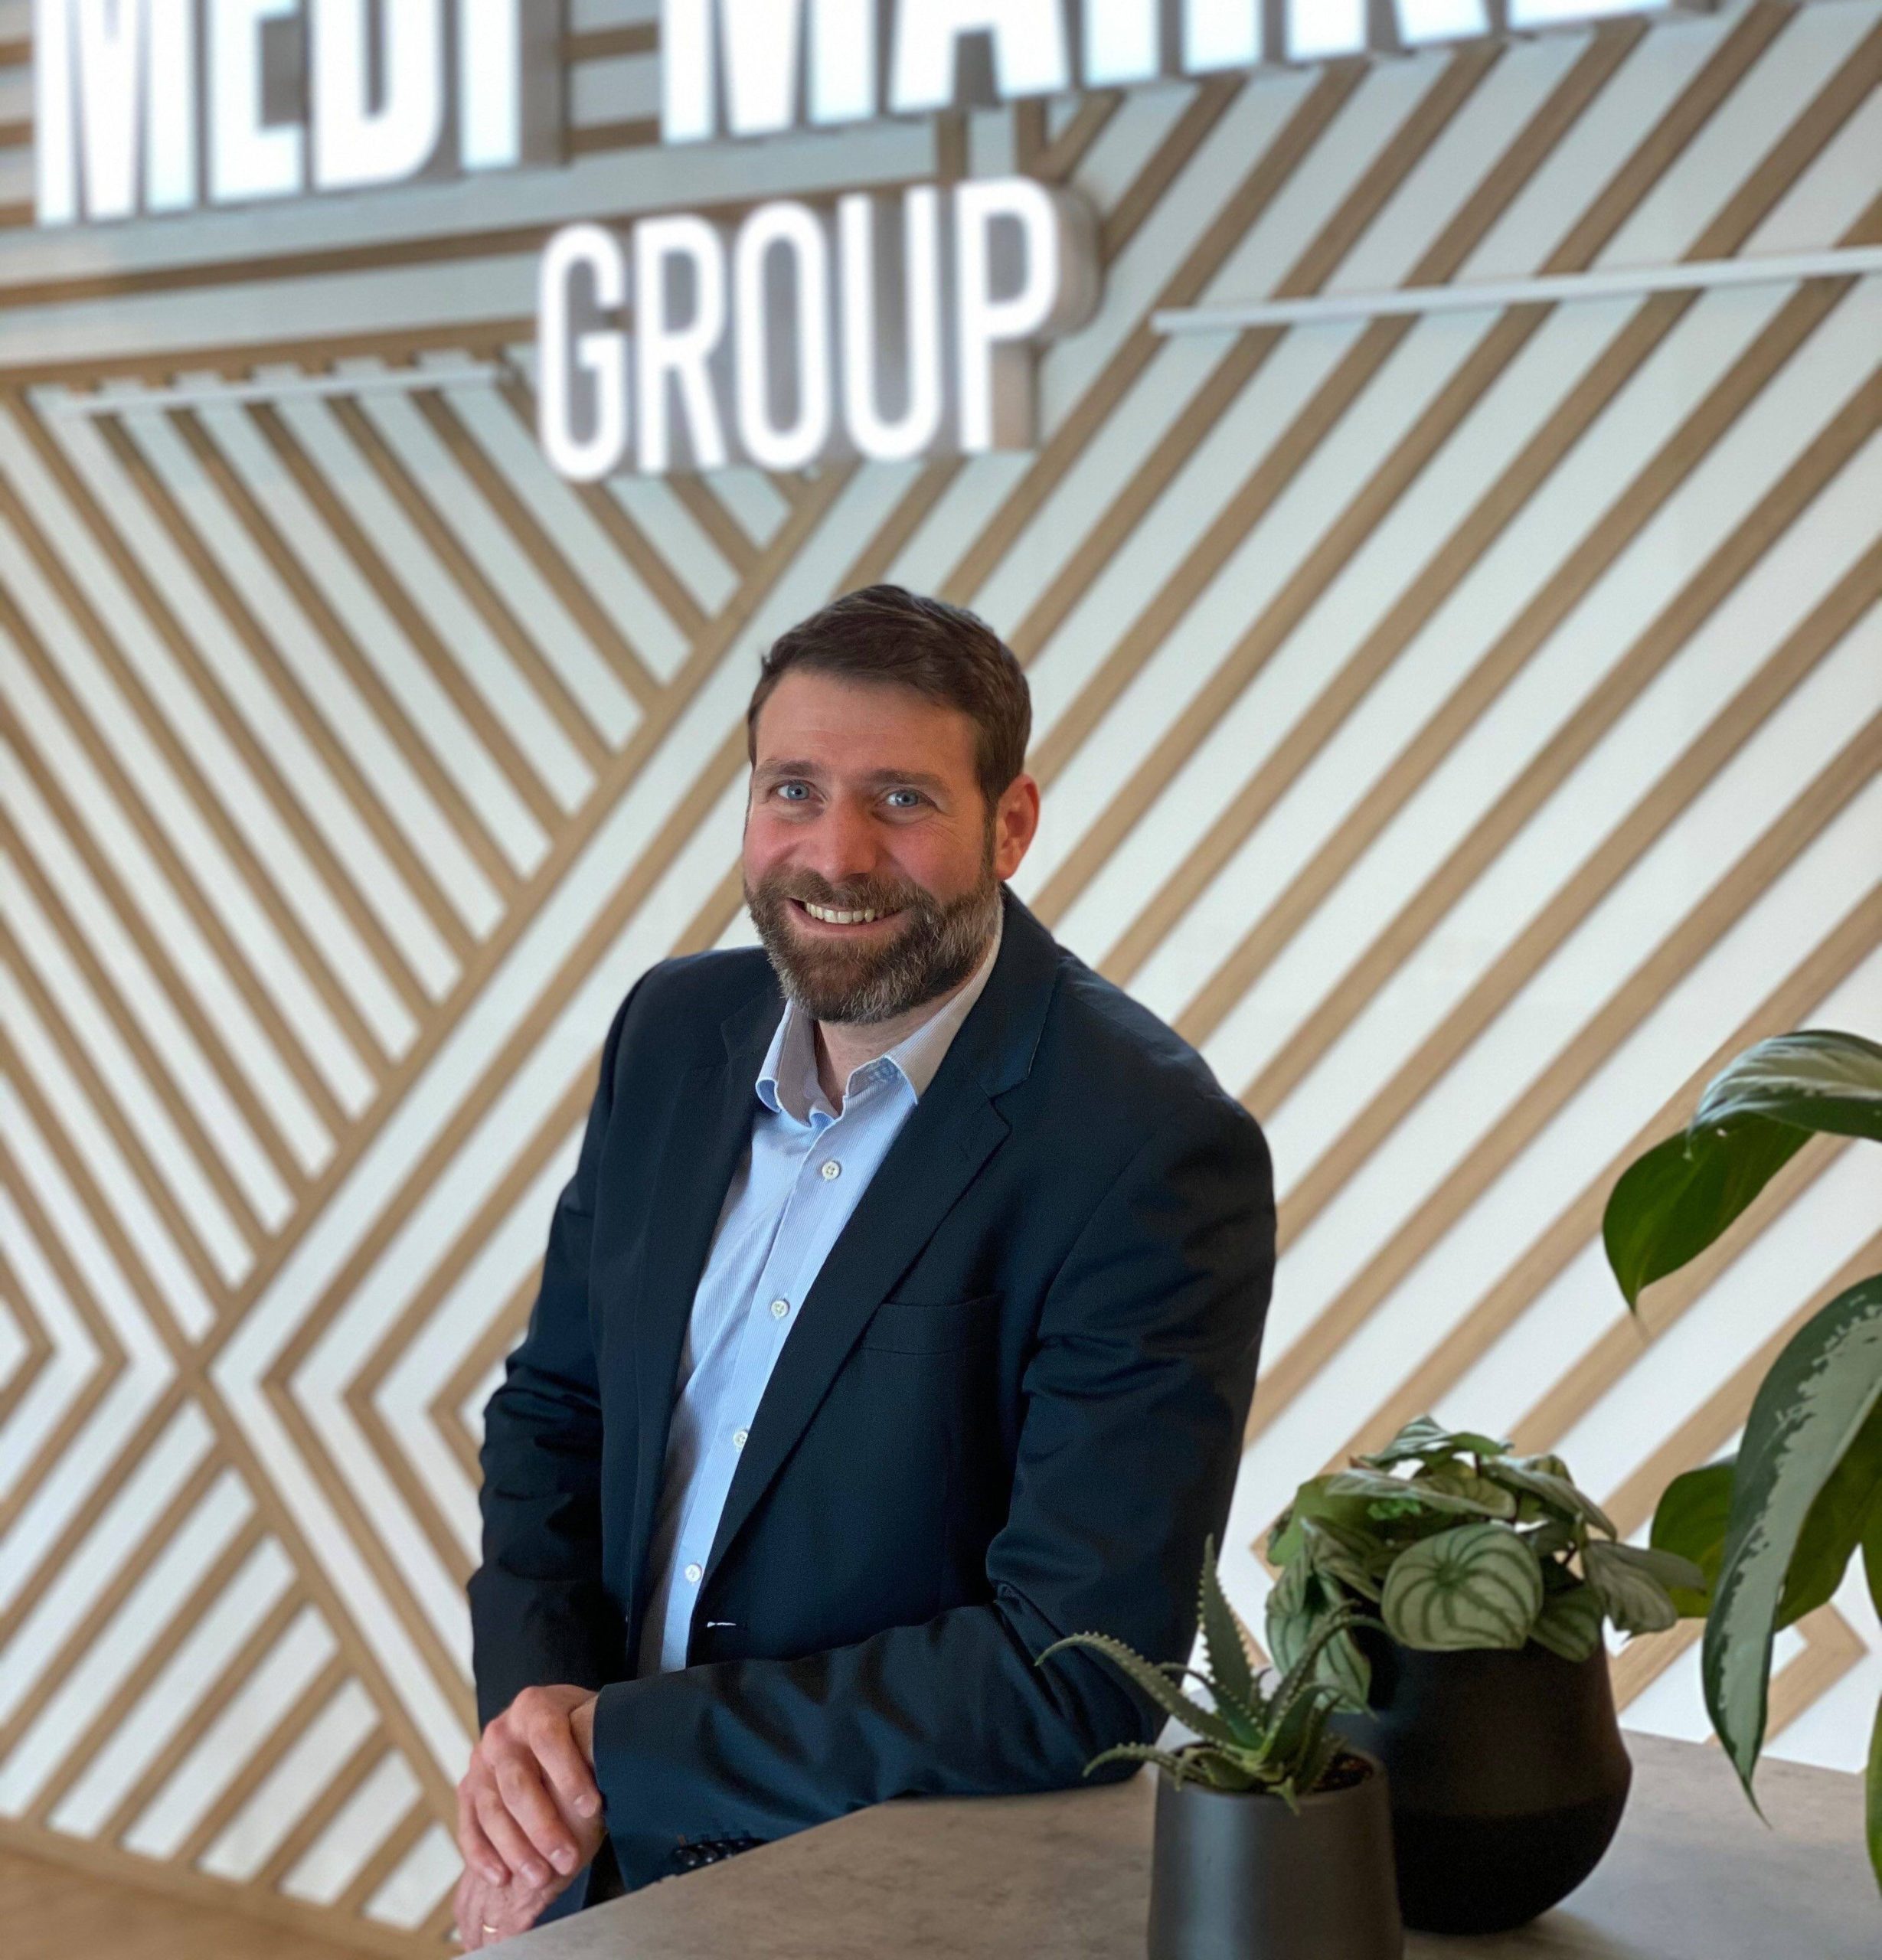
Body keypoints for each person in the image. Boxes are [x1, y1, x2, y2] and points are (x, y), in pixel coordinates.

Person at [456, 585, 1276, 1947]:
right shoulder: (672, 1030)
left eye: (900, 799)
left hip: (897, 1904)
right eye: (793, 789)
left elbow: (1072, 1675)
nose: (832, 853)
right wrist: (539, 1751)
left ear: (1009, 824)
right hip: (591, 1862)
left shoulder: (1145, 1146)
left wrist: (618, 1749)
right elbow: (557, 1412)